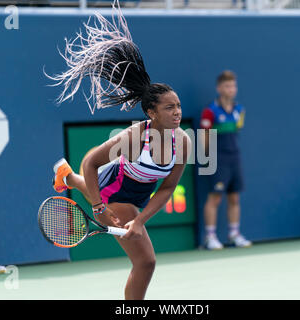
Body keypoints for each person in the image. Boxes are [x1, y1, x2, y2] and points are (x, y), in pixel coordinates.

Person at [46, 2, 191, 300]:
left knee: (88, 186)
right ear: (151, 112)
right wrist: (99, 208)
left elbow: (168, 188)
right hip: (116, 191)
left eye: (178, 106)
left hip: (139, 196)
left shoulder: (183, 142)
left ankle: (66, 177)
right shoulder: (134, 138)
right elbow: (91, 161)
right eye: (169, 107)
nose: (177, 112)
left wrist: (140, 221)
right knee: (146, 262)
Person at [200, 70, 252, 250]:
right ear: (219, 88)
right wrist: (208, 158)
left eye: (234, 86)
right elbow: (204, 137)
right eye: (228, 86)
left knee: (234, 197)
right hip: (217, 158)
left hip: (234, 157)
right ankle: (210, 237)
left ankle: (234, 234)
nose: (232, 89)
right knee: (215, 198)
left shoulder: (240, 110)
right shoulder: (209, 111)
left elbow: (237, 130)